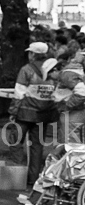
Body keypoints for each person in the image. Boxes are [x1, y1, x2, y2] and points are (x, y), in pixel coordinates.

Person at [9, 42, 58, 186]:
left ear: (33, 54)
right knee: (37, 147)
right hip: (44, 114)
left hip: (25, 113)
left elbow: (19, 93)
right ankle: (33, 179)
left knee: (15, 141)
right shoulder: (53, 70)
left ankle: (18, 175)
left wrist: (13, 111)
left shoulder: (26, 70)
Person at [54, 51, 85, 144]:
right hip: (76, 111)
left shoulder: (68, 74)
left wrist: (67, 106)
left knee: (70, 143)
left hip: (73, 113)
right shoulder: (77, 73)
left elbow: (81, 92)